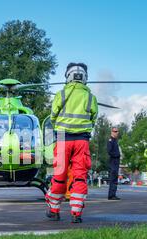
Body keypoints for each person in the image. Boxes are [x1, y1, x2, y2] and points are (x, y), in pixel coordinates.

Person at [45, 62, 98, 223]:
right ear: (85, 78)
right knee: (80, 177)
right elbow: (93, 118)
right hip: (82, 140)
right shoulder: (90, 97)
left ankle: (54, 210)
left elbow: (53, 116)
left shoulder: (60, 95)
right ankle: (76, 213)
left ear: (68, 76)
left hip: (62, 139)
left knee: (59, 176)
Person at [107, 127, 121, 200]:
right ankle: (111, 195)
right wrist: (117, 155)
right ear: (112, 132)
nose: (117, 133)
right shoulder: (110, 140)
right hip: (113, 162)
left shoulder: (115, 140)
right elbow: (109, 151)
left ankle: (113, 194)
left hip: (116, 162)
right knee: (113, 179)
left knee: (115, 179)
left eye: (117, 131)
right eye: (115, 131)